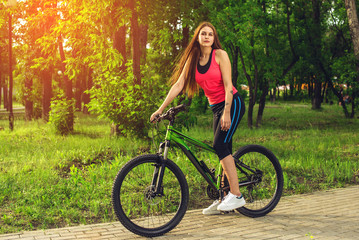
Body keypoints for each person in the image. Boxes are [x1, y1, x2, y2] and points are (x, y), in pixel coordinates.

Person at [150, 22, 246, 215]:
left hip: (232, 103)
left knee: (220, 146)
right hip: (215, 108)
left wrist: (227, 112)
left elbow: (228, 85)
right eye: (203, 33)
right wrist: (160, 109)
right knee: (222, 149)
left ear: (213, 38)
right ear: (198, 36)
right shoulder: (193, 59)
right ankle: (223, 198)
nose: (207, 36)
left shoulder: (220, 55)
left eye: (211, 34)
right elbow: (179, 84)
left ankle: (236, 195)